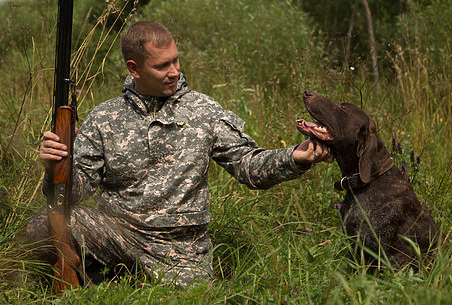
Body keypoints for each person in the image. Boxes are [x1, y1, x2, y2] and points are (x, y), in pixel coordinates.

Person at [28, 21, 331, 287]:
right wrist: (55, 165)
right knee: (42, 226)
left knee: (192, 296)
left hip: (180, 245)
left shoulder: (203, 109)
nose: (174, 72)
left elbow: (248, 166)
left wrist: (294, 157)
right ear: (134, 68)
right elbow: (72, 195)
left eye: (175, 61)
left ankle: (106, 276)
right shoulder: (104, 117)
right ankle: (77, 277)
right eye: (162, 66)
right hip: (116, 232)